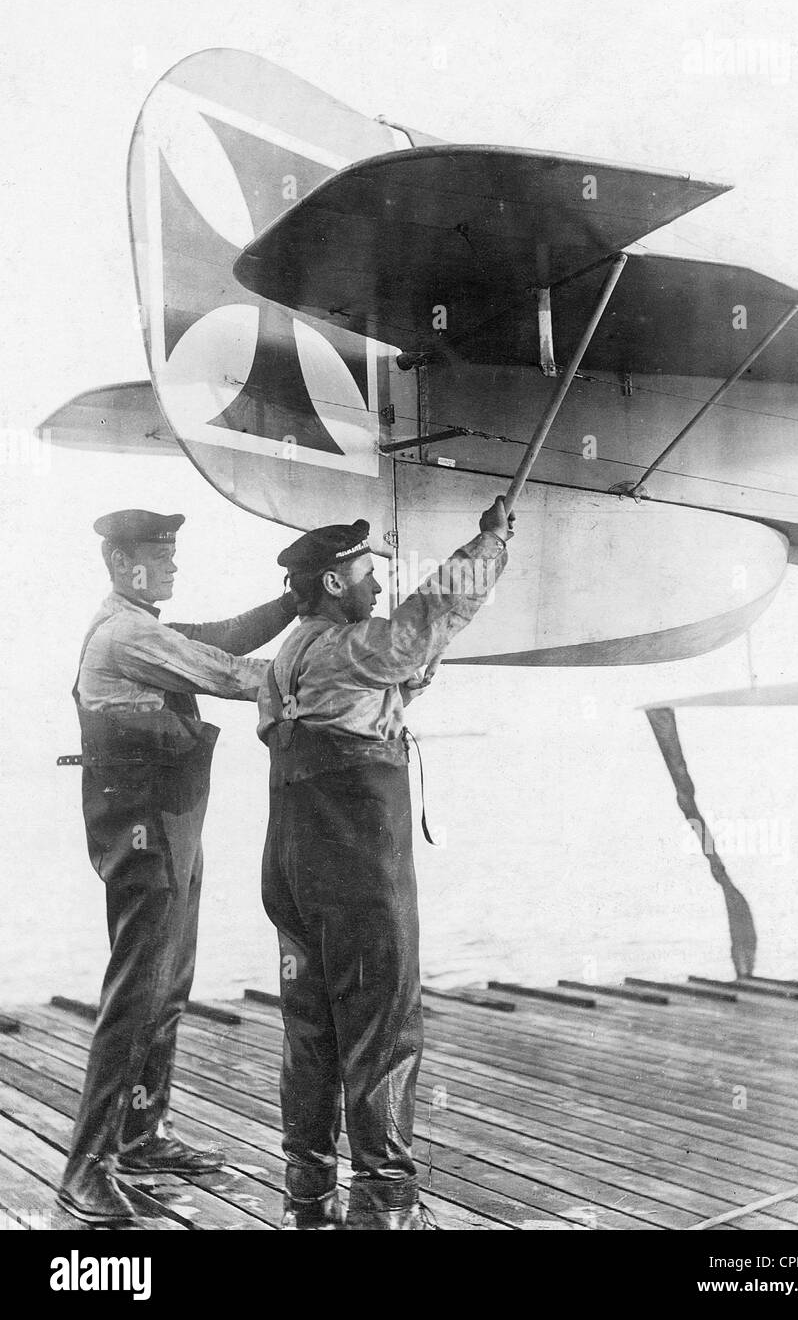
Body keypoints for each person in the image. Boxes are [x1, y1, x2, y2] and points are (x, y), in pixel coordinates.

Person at [258, 495, 515, 1230]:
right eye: (368, 575)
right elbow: (419, 626)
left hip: (291, 866)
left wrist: (410, 671)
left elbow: (393, 673)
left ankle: (308, 1202)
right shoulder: (346, 646)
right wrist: (488, 544)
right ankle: (386, 1213)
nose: (377, 588)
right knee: (383, 1027)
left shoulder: (291, 658)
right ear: (335, 583)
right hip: (357, 866)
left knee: (311, 1033)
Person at [58, 509, 300, 1226]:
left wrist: (292, 604)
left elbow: (223, 636)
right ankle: (86, 1168)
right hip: (145, 830)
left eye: (170, 555)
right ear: (122, 562)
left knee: (168, 986)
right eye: (159, 557)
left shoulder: (139, 624)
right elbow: (228, 671)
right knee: (137, 994)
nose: (170, 567)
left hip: (169, 824)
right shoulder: (127, 634)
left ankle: (139, 1134)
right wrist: (330, 661)